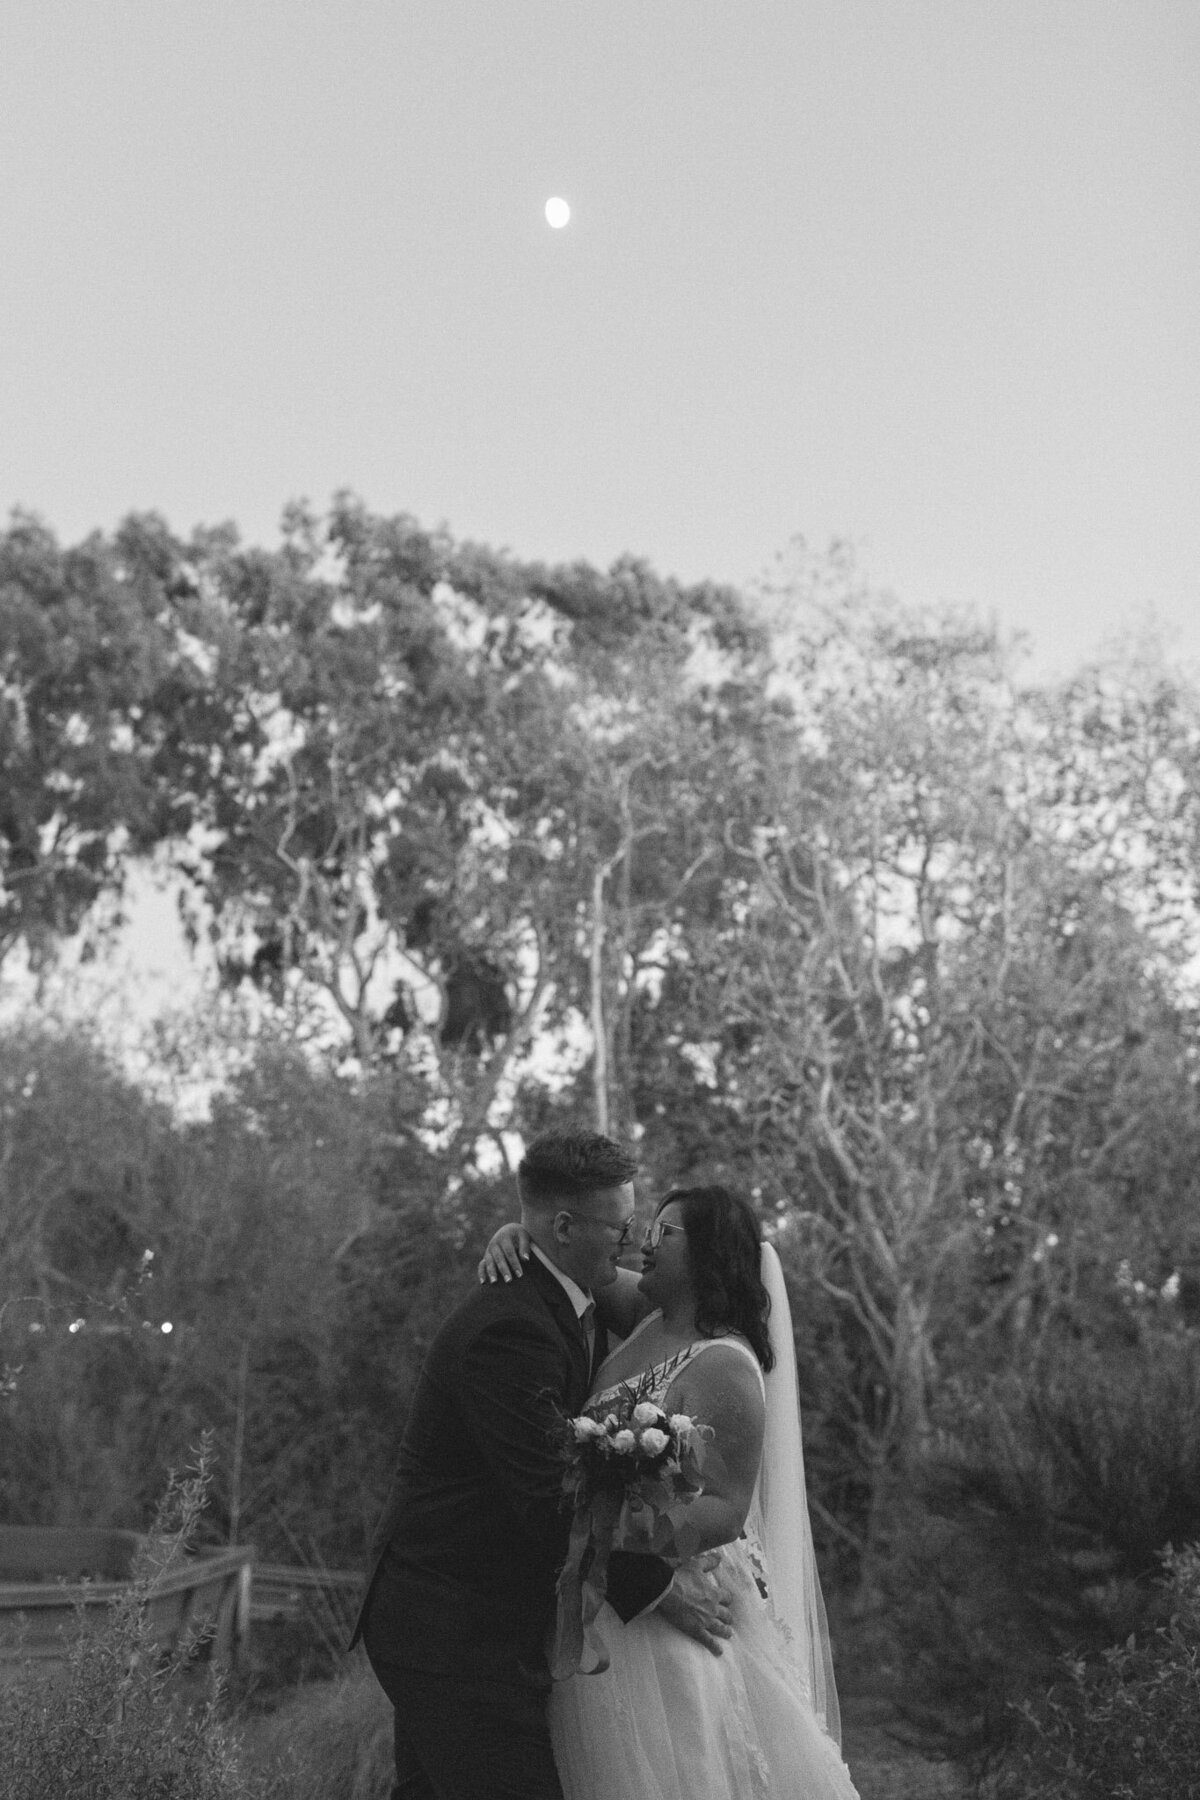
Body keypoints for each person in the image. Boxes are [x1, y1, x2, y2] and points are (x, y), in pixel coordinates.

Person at [350, 1130, 735, 1800]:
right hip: (453, 1630)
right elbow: (549, 1498)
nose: (631, 1241)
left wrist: (515, 1231)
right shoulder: (513, 1329)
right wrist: (660, 1590)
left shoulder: (568, 1299)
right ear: (563, 1226)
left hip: (463, 1621)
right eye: (620, 1225)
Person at [480, 1183, 861, 1800]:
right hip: (605, 1595)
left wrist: (614, 1529)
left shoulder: (726, 1365)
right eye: (645, 1231)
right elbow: (563, 1254)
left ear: (710, 1253)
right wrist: (515, 1237)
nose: (643, 1244)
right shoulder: (644, 1314)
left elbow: (727, 1509)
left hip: (675, 1603)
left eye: (664, 1233)